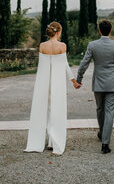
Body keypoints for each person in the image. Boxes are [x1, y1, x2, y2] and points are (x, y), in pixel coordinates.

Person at [24, 21, 80, 155]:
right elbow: (64, 64)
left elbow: (42, 66)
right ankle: (55, 142)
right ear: (59, 32)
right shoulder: (62, 46)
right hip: (57, 83)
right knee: (57, 111)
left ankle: (42, 141)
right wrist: (73, 80)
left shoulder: (42, 46)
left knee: (45, 110)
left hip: (43, 83)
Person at [77, 19, 114, 154]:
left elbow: (84, 63)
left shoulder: (92, 45)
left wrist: (79, 78)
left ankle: (102, 132)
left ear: (99, 30)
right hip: (112, 82)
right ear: (110, 30)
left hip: (98, 83)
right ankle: (105, 143)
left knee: (99, 109)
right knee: (109, 111)